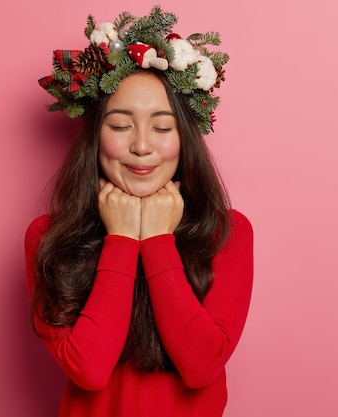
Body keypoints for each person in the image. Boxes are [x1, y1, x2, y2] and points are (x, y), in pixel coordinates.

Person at [25, 7, 253, 417]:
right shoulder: (47, 236)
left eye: (163, 128)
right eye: (120, 125)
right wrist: (122, 238)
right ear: (95, 137)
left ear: (185, 139)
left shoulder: (227, 232)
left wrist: (158, 241)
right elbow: (90, 370)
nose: (143, 146)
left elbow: (201, 368)